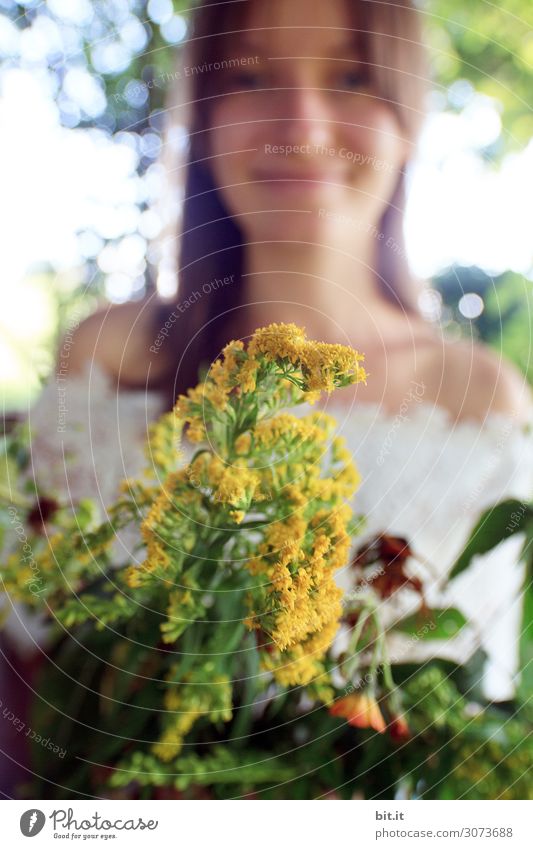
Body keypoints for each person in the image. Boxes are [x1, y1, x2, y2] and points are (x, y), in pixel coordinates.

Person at [2, 0, 532, 797]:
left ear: (408, 116)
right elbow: (29, 627)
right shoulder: (111, 354)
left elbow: (476, 707)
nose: (301, 124)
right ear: (203, 118)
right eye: (250, 78)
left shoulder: (477, 399)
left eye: (351, 77)